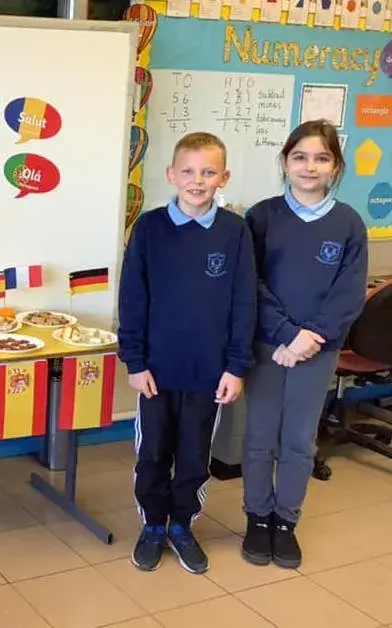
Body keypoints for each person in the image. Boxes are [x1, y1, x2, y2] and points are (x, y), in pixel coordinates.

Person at [118, 132, 256, 575]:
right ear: (171, 175)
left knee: (195, 454)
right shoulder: (151, 228)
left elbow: (243, 303)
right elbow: (133, 298)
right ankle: (153, 524)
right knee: (153, 452)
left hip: (208, 373)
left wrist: (236, 367)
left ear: (224, 177)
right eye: (189, 171)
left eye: (208, 171)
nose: (197, 180)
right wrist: (134, 362)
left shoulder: (235, 232)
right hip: (156, 371)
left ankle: (182, 524)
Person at [241, 119, 368, 569]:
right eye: (300, 156)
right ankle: (257, 517)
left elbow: (349, 293)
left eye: (321, 158)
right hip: (267, 347)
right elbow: (249, 283)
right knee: (258, 437)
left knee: (298, 440)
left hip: (318, 349)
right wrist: (284, 334)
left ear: (335, 166)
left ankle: (284, 521)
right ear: (284, 162)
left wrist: (307, 339)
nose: (309, 167)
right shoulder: (261, 216)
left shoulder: (348, 223)